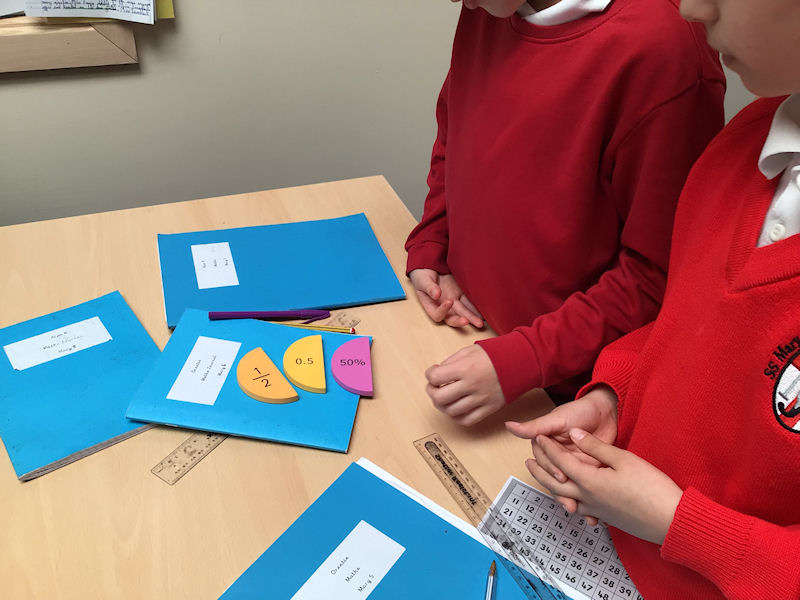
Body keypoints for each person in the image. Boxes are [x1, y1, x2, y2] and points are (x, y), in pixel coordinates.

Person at [506, 0, 800, 596]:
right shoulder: (741, 148)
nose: (690, 8)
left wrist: (679, 525)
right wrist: (619, 395)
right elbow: (691, 328)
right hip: (609, 550)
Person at [405, 0, 726, 425]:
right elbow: (456, 131)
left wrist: (527, 357)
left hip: (569, 398)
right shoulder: (490, 7)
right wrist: (433, 239)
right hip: (475, 337)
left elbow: (658, 274)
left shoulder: (663, 53)